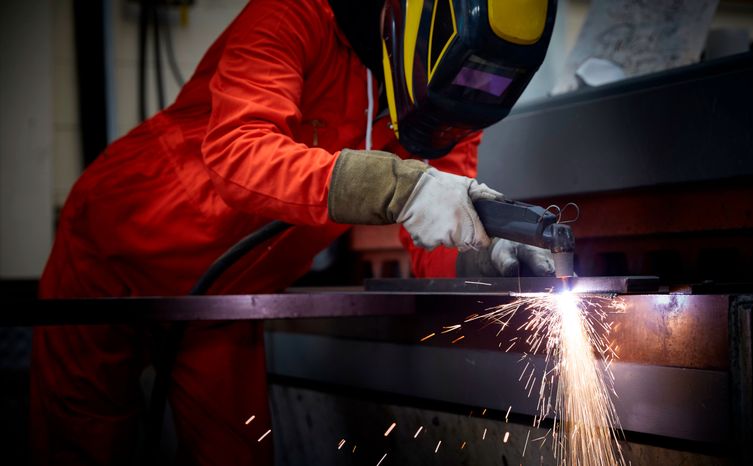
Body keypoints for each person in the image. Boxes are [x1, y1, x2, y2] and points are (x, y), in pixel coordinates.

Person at [30, 0, 557, 464]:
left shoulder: (448, 95)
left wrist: (485, 254)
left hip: (224, 300)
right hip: (113, 248)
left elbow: (437, 234)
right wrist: (397, 188)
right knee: (85, 448)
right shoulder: (294, 12)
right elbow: (238, 152)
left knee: (238, 456)